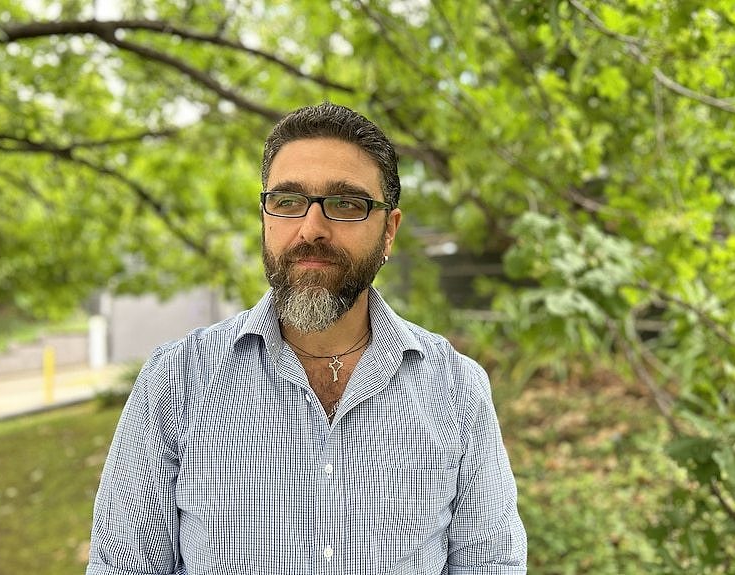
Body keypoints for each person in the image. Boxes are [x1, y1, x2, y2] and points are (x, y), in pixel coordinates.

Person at [86, 102, 528, 574]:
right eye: (288, 201)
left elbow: (493, 564)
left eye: (346, 205)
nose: (311, 228)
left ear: (388, 233)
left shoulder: (457, 390)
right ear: (265, 218)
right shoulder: (176, 381)